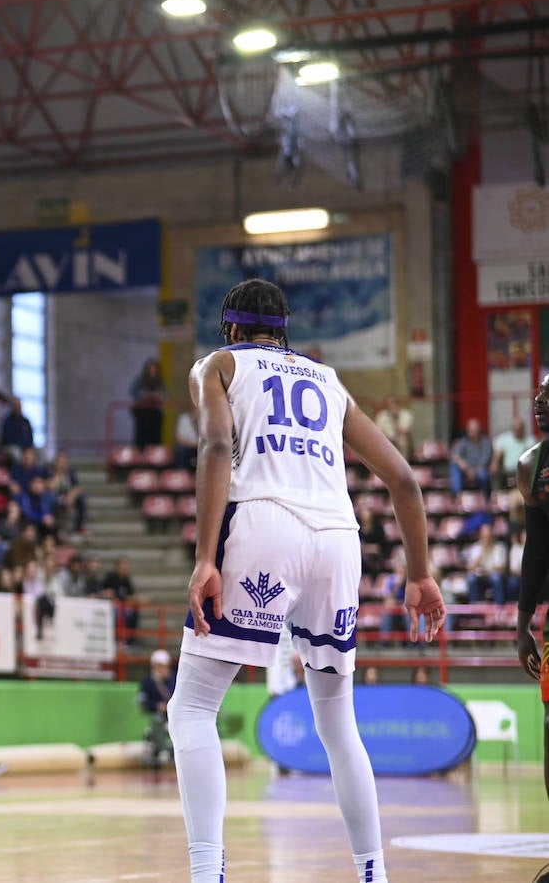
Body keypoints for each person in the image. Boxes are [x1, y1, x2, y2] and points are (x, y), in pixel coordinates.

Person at [172, 278, 443, 883]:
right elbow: (404, 480)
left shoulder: (217, 365)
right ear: (285, 332)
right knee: (337, 722)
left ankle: (206, 873)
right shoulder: (328, 380)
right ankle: (373, 871)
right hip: (337, 539)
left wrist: (206, 556)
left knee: (191, 707)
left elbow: (217, 445)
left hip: (265, 522)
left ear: (233, 331)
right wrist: (420, 573)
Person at [514, 371, 549, 803]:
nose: (538, 400)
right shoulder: (532, 465)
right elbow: (536, 551)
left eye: (548, 393)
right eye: (539, 392)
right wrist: (523, 624)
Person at [138, 649, 176, 767]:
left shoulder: (174, 679)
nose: (161, 669)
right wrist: (157, 706)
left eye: (163, 666)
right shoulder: (147, 682)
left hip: (174, 714)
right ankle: (162, 750)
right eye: (158, 666)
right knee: (157, 720)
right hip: (159, 715)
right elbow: (143, 703)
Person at [449, 417, 493, 498]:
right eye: (470, 430)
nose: (471, 432)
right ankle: (458, 495)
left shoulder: (486, 442)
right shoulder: (464, 441)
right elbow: (455, 455)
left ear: (479, 429)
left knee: (483, 476)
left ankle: (486, 499)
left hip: (480, 470)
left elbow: (486, 459)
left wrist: (474, 471)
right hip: (466, 470)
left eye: (473, 429)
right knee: (454, 466)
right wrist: (464, 466)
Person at [129, 357, 166, 450]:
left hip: (155, 413)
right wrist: (146, 396)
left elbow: (164, 395)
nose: (152, 372)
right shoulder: (140, 381)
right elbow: (133, 392)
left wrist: (158, 396)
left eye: (154, 370)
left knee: (155, 435)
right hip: (142, 413)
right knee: (141, 435)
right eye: (150, 370)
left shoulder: (160, 382)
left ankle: (154, 454)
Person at [493, 417, 535, 492]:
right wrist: (495, 463)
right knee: (494, 471)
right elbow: (498, 454)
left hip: (522, 470)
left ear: (523, 429)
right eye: (515, 429)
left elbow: (531, 454)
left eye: (519, 429)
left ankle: (527, 495)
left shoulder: (529, 439)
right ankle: (497, 495)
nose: (517, 431)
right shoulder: (503, 438)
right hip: (505, 470)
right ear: (512, 428)